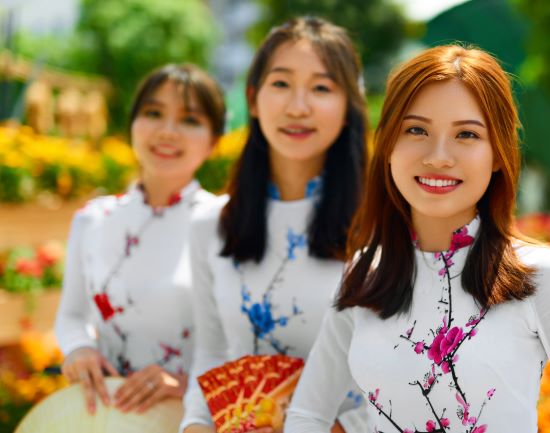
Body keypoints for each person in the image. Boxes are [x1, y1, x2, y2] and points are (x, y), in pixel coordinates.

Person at [285, 45, 550, 433]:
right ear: (389, 143)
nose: (439, 156)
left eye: (466, 134)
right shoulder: (364, 273)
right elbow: (309, 414)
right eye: (416, 130)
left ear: (497, 154)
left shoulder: (538, 276)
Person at [181, 16, 368, 433]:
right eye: (281, 84)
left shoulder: (382, 227)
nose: (297, 106)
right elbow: (212, 353)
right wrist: (195, 426)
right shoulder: (210, 225)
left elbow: (407, 369)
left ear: (347, 107)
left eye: (321, 88)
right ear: (252, 98)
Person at [55, 64, 226, 416]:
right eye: (153, 113)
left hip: (195, 417)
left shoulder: (227, 223)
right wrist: (78, 348)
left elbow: (245, 340)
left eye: (189, 120)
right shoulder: (92, 219)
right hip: (106, 416)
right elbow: (72, 314)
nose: (167, 131)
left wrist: (190, 384)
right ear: (132, 125)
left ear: (214, 142)